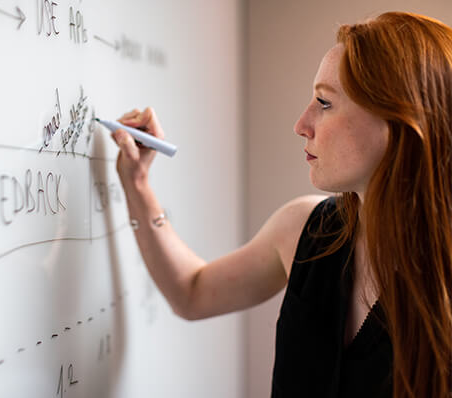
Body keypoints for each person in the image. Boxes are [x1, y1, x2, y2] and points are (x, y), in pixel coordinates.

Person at [110, 11, 452, 398]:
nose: (301, 124)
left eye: (324, 102)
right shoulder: (306, 229)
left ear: (398, 122)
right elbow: (191, 292)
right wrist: (138, 185)